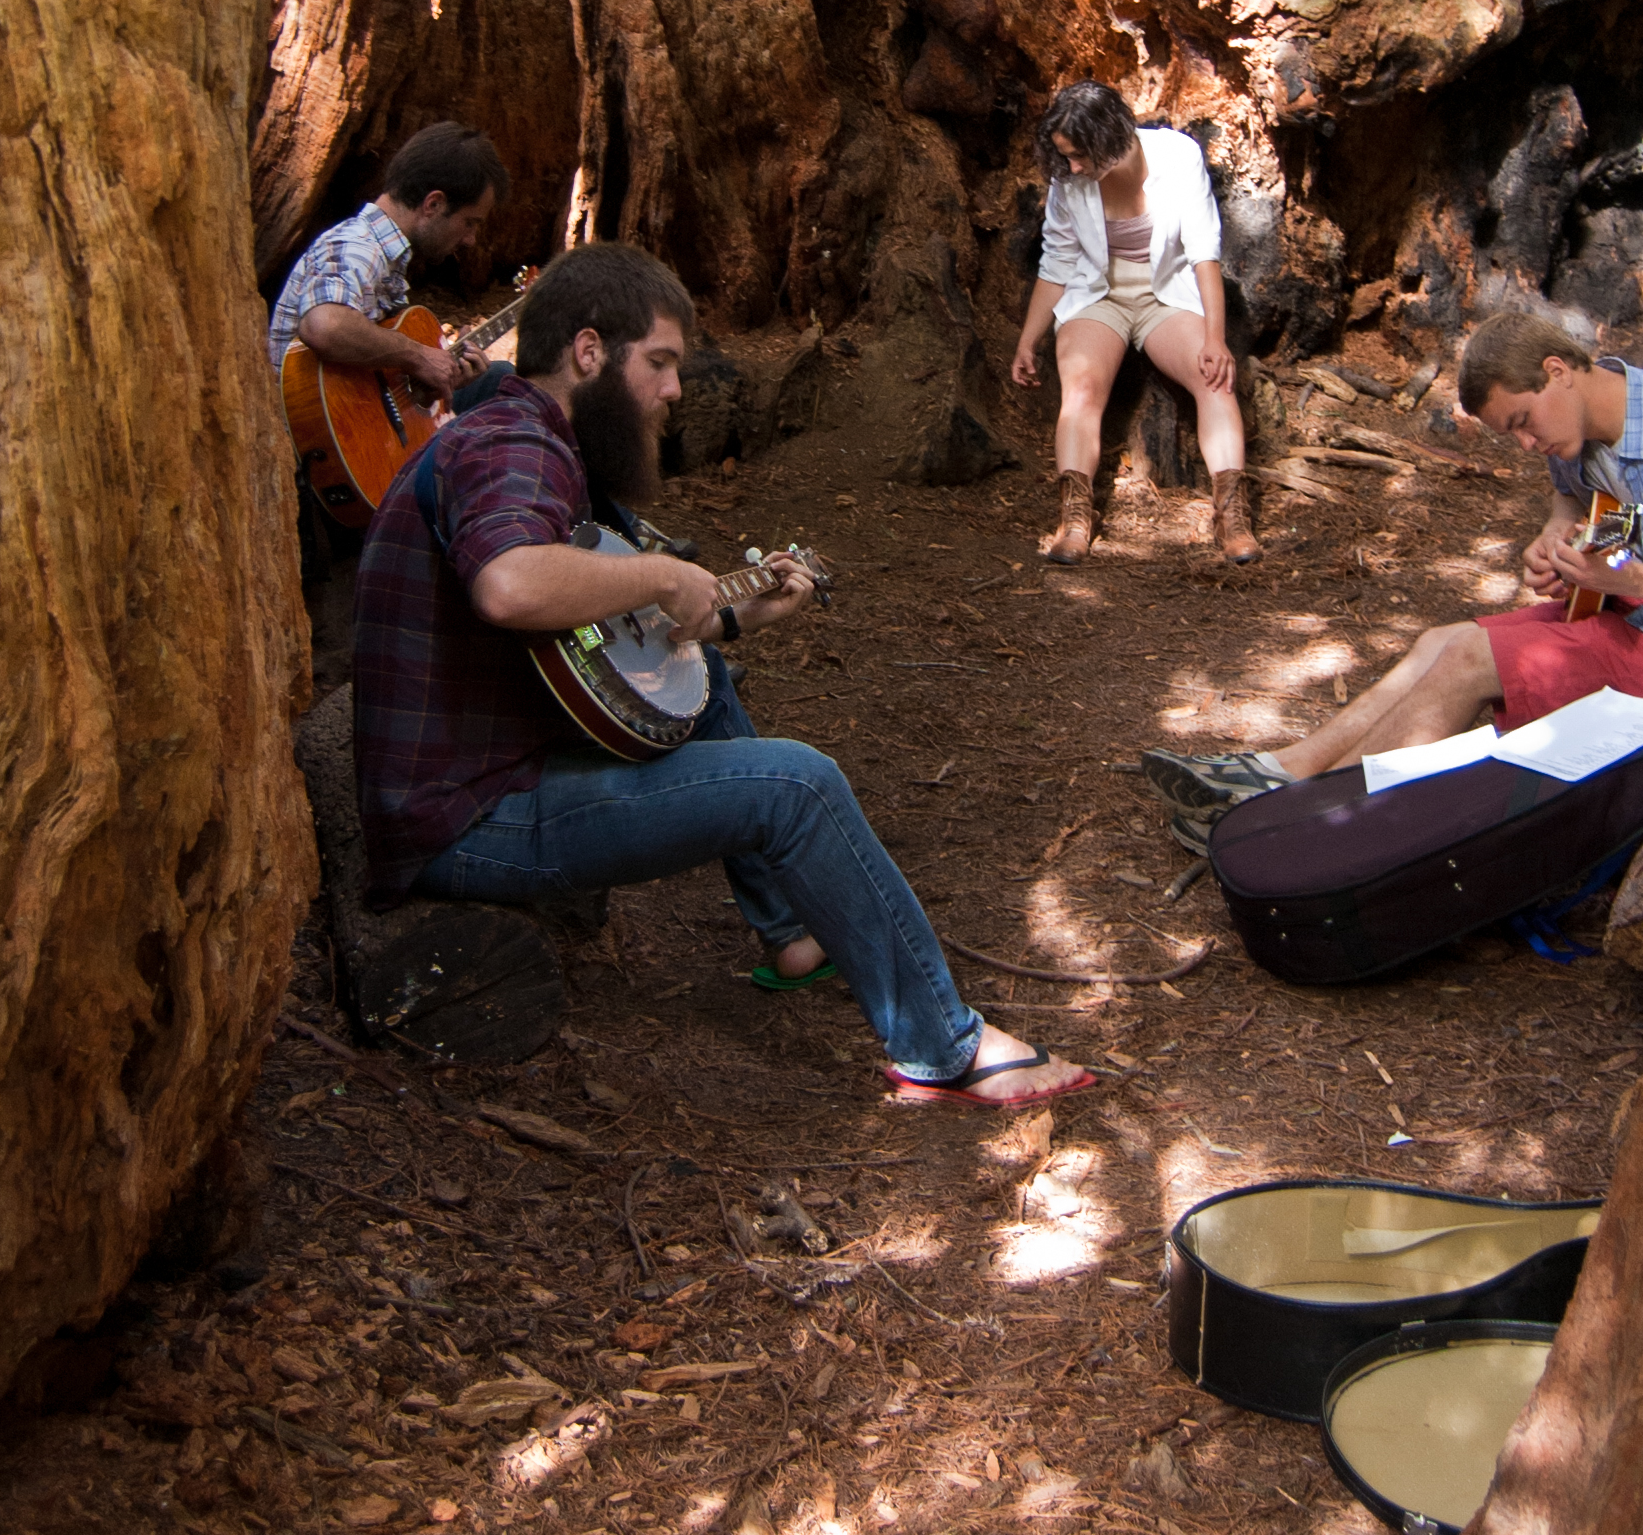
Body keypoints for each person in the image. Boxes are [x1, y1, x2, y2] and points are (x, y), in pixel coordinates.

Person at [353, 240, 1093, 1110]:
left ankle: (789, 932)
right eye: (660, 362)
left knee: (704, 677)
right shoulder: (513, 442)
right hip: (465, 819)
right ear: (589, 352)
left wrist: (738, 612)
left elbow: (604, 638)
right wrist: (663, 575)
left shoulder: (536, 438)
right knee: (798, 786)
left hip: (491, 770)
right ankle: (945, 1047)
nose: (675, 389)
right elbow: (510, 584)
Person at [1177, 307, 1643, 799]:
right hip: (1638, 615)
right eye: (1512, 433)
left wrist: (1635, 579)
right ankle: (1283, 772)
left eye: (1524, 421)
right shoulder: (1579, 431)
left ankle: (1317, 811)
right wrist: (1557, 539)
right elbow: (1580, 503)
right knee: (1439, 643)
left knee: (1471, 659)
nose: (1526, 444)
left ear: (1557, 370)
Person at [1011, 81, 1258, 567]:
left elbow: (1204, 251)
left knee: (1214, 379)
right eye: (1065, 156)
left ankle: (1233, 517)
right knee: (1081, 390)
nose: (1072, 167)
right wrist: (1027, 341)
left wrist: (1214, 338)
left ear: (1110, 135)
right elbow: (1057, 262)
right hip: (1098, 292)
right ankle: (1074, 520)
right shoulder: (1068, 179)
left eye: (1079, 154)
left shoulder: (1178, 156)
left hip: (1166, 292)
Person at [267, 119, 509, 399]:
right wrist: (418, 355)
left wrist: (435, 383)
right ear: (433, 204)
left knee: (496, 377)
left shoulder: (384, 256)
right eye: (470, 222)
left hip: (354, 416)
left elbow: (372, 384)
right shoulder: (357, 246)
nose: (471, 239)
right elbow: (325, 326)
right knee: (502, 381)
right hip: (305, 420)